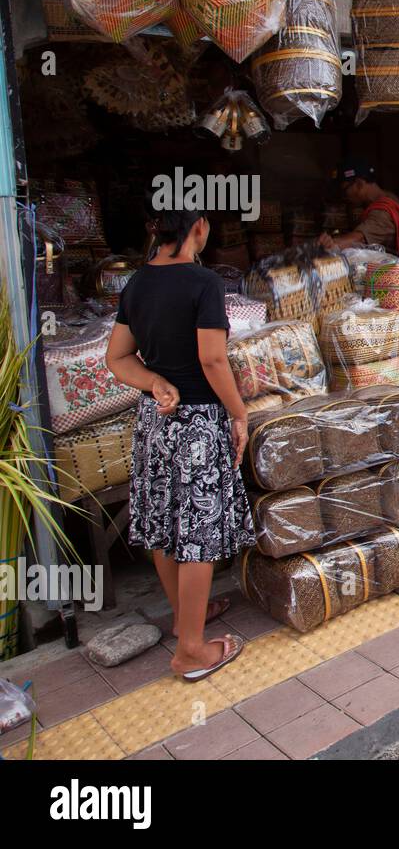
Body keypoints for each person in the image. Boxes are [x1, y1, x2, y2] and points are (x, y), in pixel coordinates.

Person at [106, 207, 252, 682]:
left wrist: (153, 383)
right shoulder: (204, 282)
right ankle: (191, 650)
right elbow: (212, 360)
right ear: (198, 229)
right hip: (197, 422)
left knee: (166, 520)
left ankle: (184, 619)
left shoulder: (138, 283)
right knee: (199, 532)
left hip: (156, 420)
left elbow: (117, 358)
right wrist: (239, 413)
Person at [319, 159, 399, 254]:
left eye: (345, 190)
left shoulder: (383, 211)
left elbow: (359, 239)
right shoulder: (388, 197)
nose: (345, 196)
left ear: (359, 184)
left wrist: (331, 244)